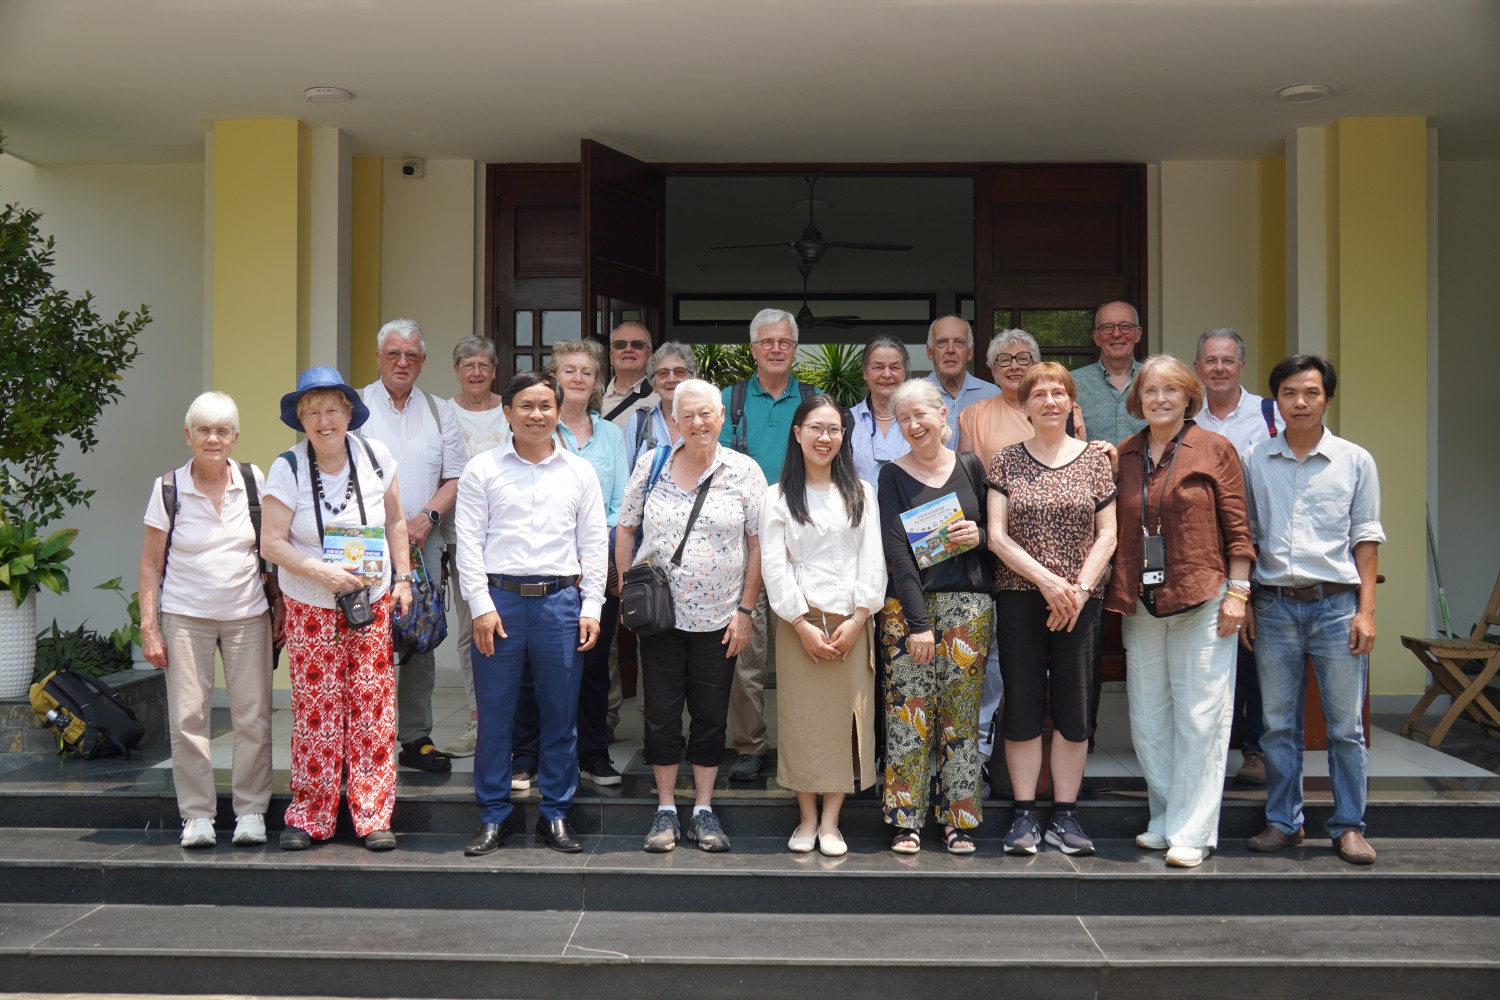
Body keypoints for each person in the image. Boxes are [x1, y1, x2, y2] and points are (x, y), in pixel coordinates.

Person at [1105, 355, 1254, 868]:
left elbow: (1238, 528)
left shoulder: (1215, 448)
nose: (1160, 398)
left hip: (1202, 593)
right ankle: (1166, 816)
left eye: (1171, 390)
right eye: (1151, 390)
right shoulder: (1125, 453)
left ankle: (1194, 830)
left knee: (1201, 716)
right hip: (1139, 601)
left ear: (1190, 396)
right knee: (1148, 717)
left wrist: (1239, 593)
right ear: (1138, 399)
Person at [456, 371, 608, 856]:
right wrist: (480, 607)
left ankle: (556, 813)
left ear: (559, 411)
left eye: (545, 405)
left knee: (561, 715)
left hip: (561, 604)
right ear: (508, 412)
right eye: (526, 405)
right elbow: (470, 547)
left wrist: (593, 606)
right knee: (496, 715)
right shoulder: (482, 469)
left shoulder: (579, 471)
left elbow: (595, 544)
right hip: (499, 604)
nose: (537, 414)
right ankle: (493, 814)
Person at [261, 366, 412, 852]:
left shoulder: (375, 456)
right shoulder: (286, 467)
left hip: (370, 601)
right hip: (310, 604)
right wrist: (318, 572)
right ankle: (310, 814)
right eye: (311, 412)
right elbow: (270, 543)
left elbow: (395, 522)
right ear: (300, 421)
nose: (323, 420)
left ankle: (372, 815)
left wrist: (405, 576)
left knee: (372, 707)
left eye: (331, 409)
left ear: (349, 412)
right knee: (316, 708)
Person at [1243, 354, 1383, 867]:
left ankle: (1348, 826)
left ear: (1327, 398)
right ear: (1275, 400)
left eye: (1311, 393)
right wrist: (1248, 601)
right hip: (1275, 606)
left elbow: (1366, 540)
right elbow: (1248, 536)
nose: (1299, 403)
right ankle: (1285, 821)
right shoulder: (1256, 459)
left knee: (1345, 727)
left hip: (1335, 607)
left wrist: (1366, 611)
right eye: (1289, 394)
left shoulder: (1354, 460)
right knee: (1278, 725)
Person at [616, 379, 766, 853]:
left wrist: (745, 611)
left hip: (720, 620)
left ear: (722, 416)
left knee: (709, 717)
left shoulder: (744, 471)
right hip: (660, 618)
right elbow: (625, 530)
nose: (698, 423)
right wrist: (625, 591)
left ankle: (703, 809)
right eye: (688, 416)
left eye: (707, 414)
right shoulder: (653, 462)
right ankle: (664, 809)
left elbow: (758, 546)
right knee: (660, 716)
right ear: (674, 420)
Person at [986, 362, 1117, 857]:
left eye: (1057, 392)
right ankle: (1023, 814)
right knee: (1021, 702)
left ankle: (1065, 813)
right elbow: (996, 536)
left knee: (1072, 708)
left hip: (1080, 603)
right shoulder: (1006, 461)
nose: (1049, 401)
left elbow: (1109, 533)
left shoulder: (1094, 461)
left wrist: (1078, 591)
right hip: (1021, 597)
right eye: (1037, 393)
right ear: (1025, 404)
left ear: (1071, 402)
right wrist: (1047, 582)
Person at [138, 391, 276, 849]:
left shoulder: (254, 481)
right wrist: (149, 626)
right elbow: (150, 564)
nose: (213, 439)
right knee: (187, 719)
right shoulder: (168, 488)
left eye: (222, 430)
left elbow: (271, 551)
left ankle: (251, 811)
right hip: (185, 616)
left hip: (247, 615)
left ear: (235, 437)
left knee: (253, 716)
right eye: (204, 430)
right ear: (188, 435)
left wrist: (281, 609)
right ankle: (197, 815)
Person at [760, 395, 886, 857]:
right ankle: (807, 817)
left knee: (846, 723)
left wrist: (858, 619)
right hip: (801, 624)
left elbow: (872, 560)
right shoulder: (775, 497)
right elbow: (776, 567)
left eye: (834, 429)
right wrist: (800, 622)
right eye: (816, 427)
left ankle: (832, 821)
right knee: (802, 722)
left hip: (853, 622)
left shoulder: (861, 492)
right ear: (797, 433)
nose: (825, 437)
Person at [877, 379, 994, 856]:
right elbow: (898, 556)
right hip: (909, 611)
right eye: (903, 418)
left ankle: (958, 820)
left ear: (943, 414)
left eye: (921, 414)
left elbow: (997, 532)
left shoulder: (970, 466)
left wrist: (979, 536)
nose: (913, 425)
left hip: (970, 604)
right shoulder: (892, 476)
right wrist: (919, 624)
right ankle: (907, 820)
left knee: (960, 720)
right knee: (908, 718)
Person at [506, 341, 628, 790]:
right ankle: (526, 756)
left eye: (587, 372)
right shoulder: (532, 428)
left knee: (594, 662)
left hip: (596, 565)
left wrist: (589, 548)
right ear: (554, 378)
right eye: (570, 371)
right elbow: (518, 499)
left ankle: (593, 753)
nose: (578, 378)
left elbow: (620, 504)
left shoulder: (612, 436)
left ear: (597, 383)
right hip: (541, 567)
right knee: (530, 666)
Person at [359, 318, 467, 773]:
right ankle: (367, 736)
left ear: (422, 363)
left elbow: (456, 475)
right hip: (364, 546)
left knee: (419, 639)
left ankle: (415, 738)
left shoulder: (442, 410)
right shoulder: (355, 407)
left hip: (422, 541)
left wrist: (427, 519)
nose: (402, 362)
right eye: (393, 354)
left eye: (412, 356)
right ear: (379, 358)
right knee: (364, 638)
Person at [718, 308, 811, 782]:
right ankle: (750, 746)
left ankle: (801, 745)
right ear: (753, 349)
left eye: (785, 342)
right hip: (745, 549)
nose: (776, 349)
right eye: (767, 342)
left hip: (804, 548)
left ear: (795, 349)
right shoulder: (728, 402)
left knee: (803, 651)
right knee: (747, 654)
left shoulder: (814, 401)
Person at [1191, 327, 1284, 786]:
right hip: (1207, 550)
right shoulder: (1190, 419)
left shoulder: (1270, 414)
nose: (1219, 368)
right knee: (1213, 646)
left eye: (1227, 360)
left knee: (1255, 652)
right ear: (1198, 369)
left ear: (1241, 366)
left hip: (1261, 547)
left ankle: (1256, 749)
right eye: (1210, 361)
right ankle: (1216, 741)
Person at [441, 336, 510, 759]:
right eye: (468, 365)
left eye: (484, 364)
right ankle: (477, 718)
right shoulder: (443, 413)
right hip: (458, 537)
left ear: (494, 369)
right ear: (456, 370)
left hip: (508, 537)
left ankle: (513, 722)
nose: (476, 372)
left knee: (511, 628)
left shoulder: (510, 409)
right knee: (472, 629)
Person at [1074, 301, 1147, 447]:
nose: (1117, 334)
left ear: (1138, 334)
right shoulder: (1072, 384)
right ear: (1096, 337)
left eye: (1125, 326)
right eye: (1107, 328)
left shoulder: (1155, 381)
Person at [848, 335, 912, 488]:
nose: (887, 374)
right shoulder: (846, 420)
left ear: (905, 372)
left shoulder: (920, 421)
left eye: (895, 367)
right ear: (865, 372)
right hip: (862, 511)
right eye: (878, 367)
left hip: (911, 511)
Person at [924, 315, 998, 444]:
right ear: (930, 351)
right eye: (942, 342)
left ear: (970, 351)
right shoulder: (913, 395)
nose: (950, 350)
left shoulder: (993, 396)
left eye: (959, 342)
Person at [623, 341, 697, 467]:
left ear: (691, 379)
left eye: (679, 372)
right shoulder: (639, 422)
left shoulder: (706, 422)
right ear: (654, 384)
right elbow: (624, 478)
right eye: (663, 373)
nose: (671, 379)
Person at [601, 321, 659, 431]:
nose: (628, 349)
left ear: (650, 356)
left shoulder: (663, 398)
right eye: (620, 345)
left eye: (637, 345)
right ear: (611, 356)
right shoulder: (593, 401)